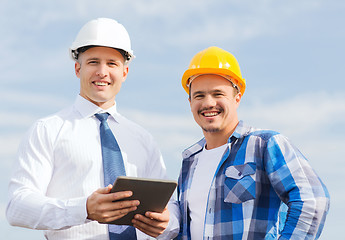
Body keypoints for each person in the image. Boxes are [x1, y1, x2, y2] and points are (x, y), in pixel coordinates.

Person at [6, 18, 179, 240]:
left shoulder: (143, 139)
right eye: (93, 62)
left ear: (124, 73)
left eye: (112, 63)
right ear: (78, 68)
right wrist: (84, 209)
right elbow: (17, 206)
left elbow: (170, 209)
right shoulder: (47, 130)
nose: (102, 72)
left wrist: (167, 222)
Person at [175, 46, 330, 239]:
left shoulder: (265, 145)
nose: (208, 103)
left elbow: (313, 200)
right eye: (199, 95)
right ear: (190, 102)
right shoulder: (190, 161)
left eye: (218, 94)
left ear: (237, 97)